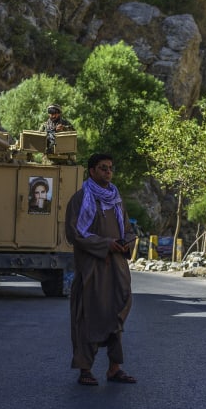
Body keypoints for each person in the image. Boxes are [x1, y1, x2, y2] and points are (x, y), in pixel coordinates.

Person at [65, 154, 137, 386]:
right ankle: (85, 369)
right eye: (102, 168)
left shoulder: (116, 199)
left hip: (117, 267)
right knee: (88, 317)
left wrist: (126, 241)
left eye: (110, 168)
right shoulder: (80, 199)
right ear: (92, 172)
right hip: (92, 269)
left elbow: (126, 228)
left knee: (116, 315)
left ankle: (114, 368)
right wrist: (106, 244)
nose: (108, 172)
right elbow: (75, 234)